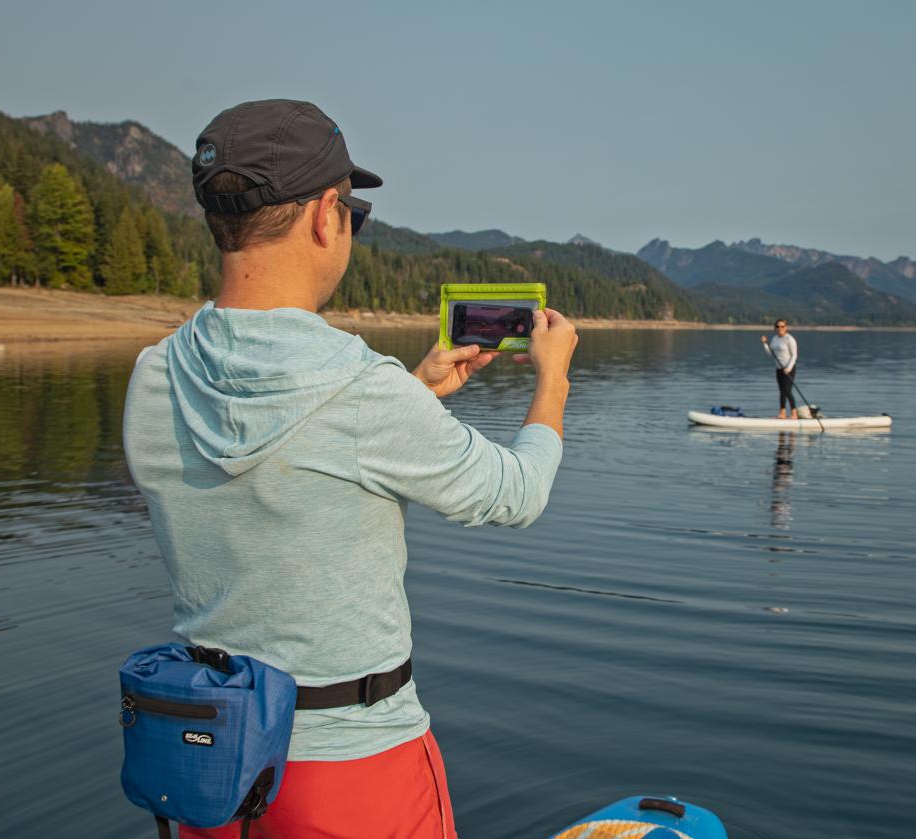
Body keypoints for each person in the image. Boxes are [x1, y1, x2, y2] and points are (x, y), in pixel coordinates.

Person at [122, 99, 578, 838]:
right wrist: (552, 381)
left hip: (210, 772)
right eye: (354, 212)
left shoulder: (152, 376)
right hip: (352, 775)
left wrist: (414, 391)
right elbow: (515, 493)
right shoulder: (363, 390)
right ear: (325, 217)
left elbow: (286, 461)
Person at [761, 318, 798, 418]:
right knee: (781, 391)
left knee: (787, 390)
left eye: (782, 326)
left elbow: (794, 355)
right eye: (778, 326)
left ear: (786, 327)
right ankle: (782, 413)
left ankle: (794, 413)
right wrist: (765, 344)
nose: (780, 328)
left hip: (789, 369)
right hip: (779, 369)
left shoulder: (789, 339)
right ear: (775, 328)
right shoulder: (774, 339)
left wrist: (789, 368)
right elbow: (771, 353)